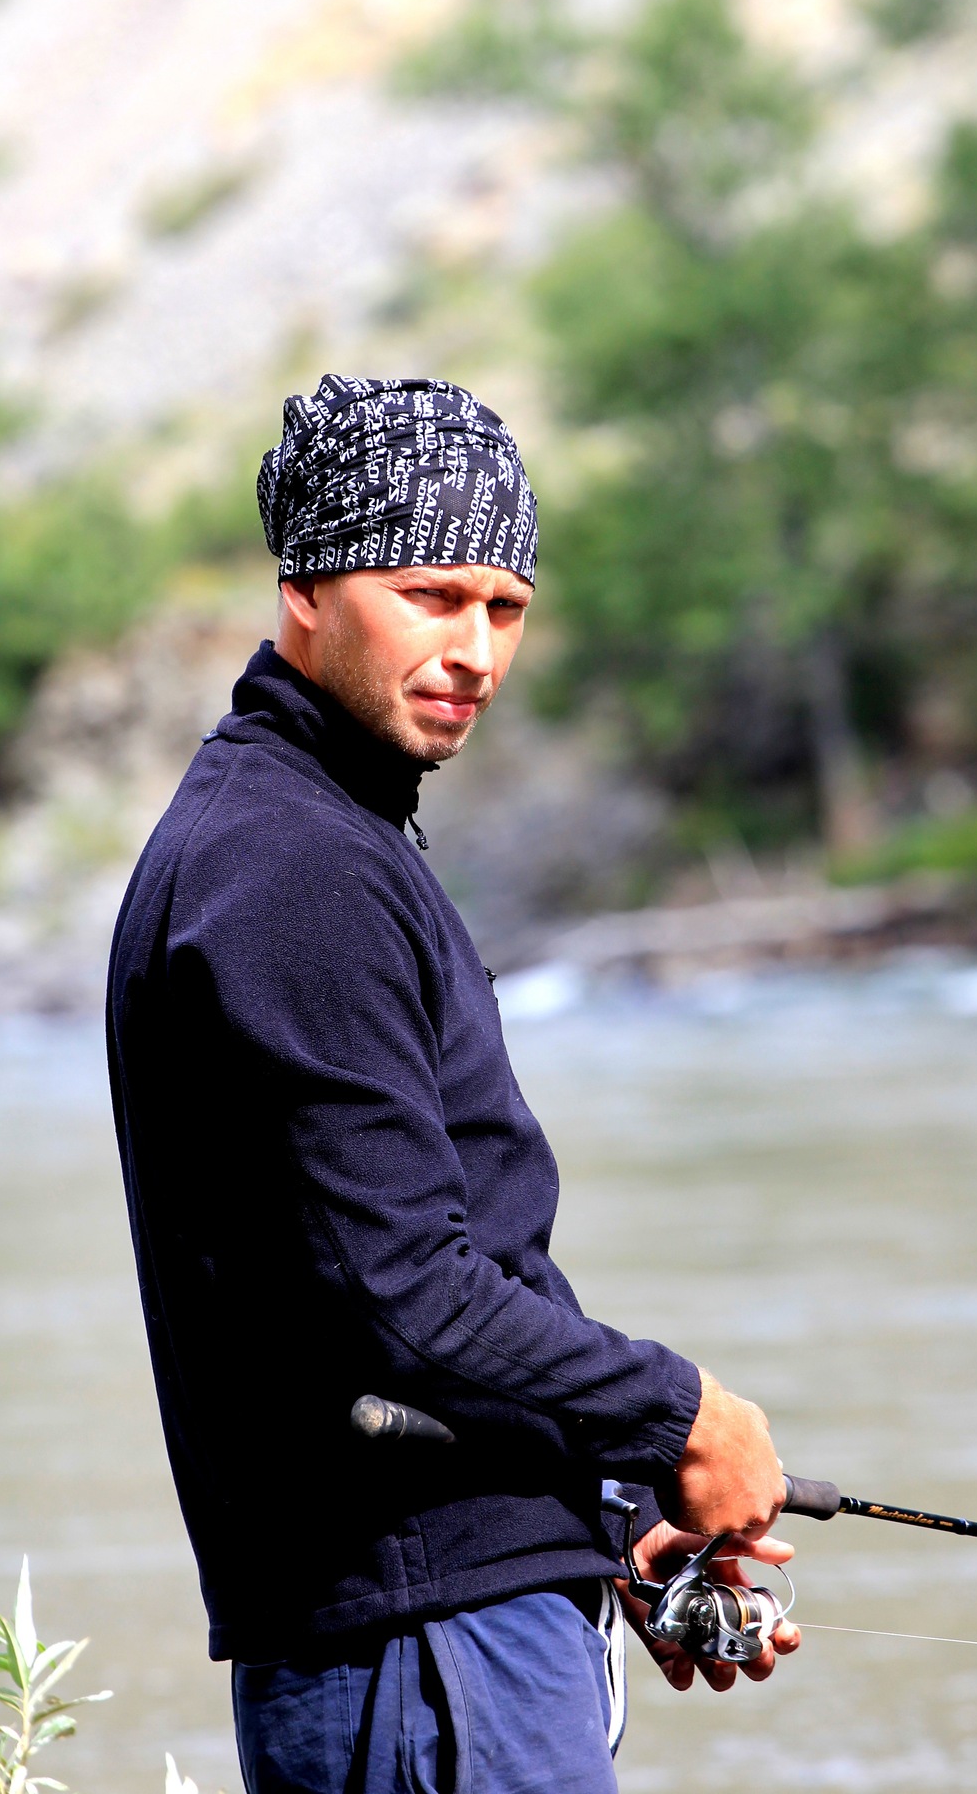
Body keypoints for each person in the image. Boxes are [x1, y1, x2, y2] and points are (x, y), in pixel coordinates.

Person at [106, 374, 800, 1794]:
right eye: (431, 595)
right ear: (305, 589)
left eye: (506, 607)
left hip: (449, 1628)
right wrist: (684, 1417)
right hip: (422, 1654)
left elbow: (418, 1265)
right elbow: (402, 1290)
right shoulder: (291, 868)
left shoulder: (318, 833)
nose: (475, 649)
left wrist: (613, 1511)